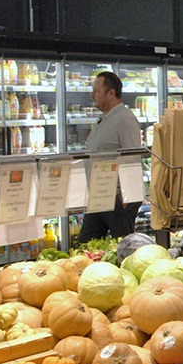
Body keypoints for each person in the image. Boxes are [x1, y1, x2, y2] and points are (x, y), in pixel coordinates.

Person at [78, 71, 143, 243]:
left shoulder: (124, 119)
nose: (92, 95)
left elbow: (133, 155)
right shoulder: (105, 119)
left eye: (97, 91)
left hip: (118, 198)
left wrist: (126, 193)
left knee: (125, 246)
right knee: (86, 244)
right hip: (100, 195)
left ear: (111, 93)